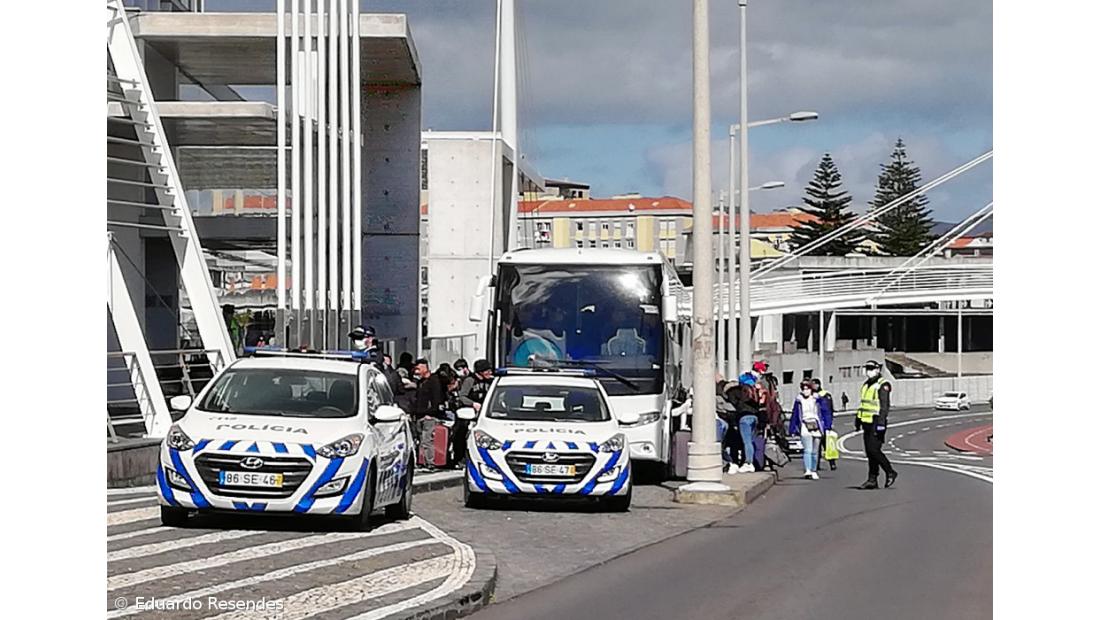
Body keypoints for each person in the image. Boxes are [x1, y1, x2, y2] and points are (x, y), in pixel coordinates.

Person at [856, 360, 897, 489]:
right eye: (867, 368)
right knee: (869, 452)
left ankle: (890, 471)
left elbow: (884, 406)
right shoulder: (866, 385)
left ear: (878, 370)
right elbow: (863, 404)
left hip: (876, 422)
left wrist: (881, 423)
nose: (868, 371)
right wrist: (858, 419)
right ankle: (872, 479)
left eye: (871, 368)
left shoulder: (882, 385)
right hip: (866, 422)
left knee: (874, 450)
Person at [790, 379, 833, 479]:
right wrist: (792, 429)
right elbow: (795, 415)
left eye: (807, 388)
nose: (805, 391)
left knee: (815, 450)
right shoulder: (799, 400)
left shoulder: (818, 399)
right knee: (807, 449)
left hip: (817, 425)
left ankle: (814, 470)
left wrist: (828, 425)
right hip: (805, 425)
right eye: (804, 389)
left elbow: (826, 412)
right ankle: (808, 470)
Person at [734, 373, 762, 473]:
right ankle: (751, 461)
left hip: (744, 417)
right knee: (750, 440)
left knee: (746, 442)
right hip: (754, 417)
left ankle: (748, 463)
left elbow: (738, 404)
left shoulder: (744, 390)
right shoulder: (755, 391)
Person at [811, 378, 837, 470]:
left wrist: (829, 424)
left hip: (824, 424)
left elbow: (828, 411)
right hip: (816, 425)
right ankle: (816, 464)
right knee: (816, 447)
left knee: (828, 446)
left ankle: (832, 463)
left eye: (814, 384)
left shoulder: (825, 395)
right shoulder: (811, 395)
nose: (813, 386)